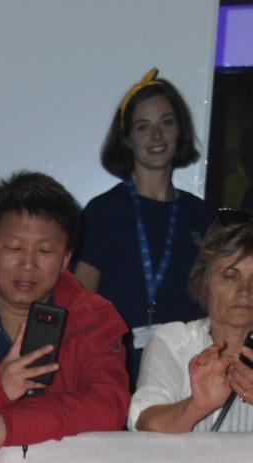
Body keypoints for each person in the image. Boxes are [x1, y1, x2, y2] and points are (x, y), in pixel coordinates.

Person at [0, 171, 129, 463]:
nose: (28, 265)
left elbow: (109, 405)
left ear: (65, 260)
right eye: (14, 248)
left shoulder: (95, 317)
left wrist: (8, 425)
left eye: (45, 250)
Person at [75, 69, 212, 380]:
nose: (157, 136)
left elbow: (215, 300)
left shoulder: (201, 215)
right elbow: (79, 300)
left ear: (180, 130)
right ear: (126, 139)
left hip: (187, 370)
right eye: (143, 127)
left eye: (166, 122)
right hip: (113, 368)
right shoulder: (102, 212)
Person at [129, 212, 253, 432]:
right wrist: (196, 406)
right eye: (230, 275)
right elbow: (144, 425)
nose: (245, 290)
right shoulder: (174, 340)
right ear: (204, 283)